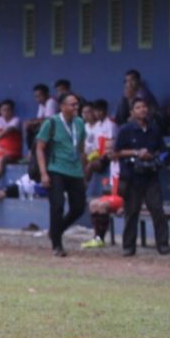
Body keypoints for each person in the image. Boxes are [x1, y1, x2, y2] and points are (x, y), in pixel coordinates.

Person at [115, 97, 169, 255]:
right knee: (132, 212)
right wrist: (136, 153)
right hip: (132, 176)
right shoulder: (126, 130)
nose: (142, 110)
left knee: (157, 209)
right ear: (132, 112)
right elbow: (116, 152)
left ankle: (163, 244)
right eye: (138, 107)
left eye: (144, 107)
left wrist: (155, 157)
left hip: (150, 175)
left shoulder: (154, 129)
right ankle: (129, 246)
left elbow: (162, 150)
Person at [37, 92, 88, 257]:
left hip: (75, 171)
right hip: (56, 169)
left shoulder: (80, 123)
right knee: (57, 206)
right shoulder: (51, 123)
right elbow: (40, 148)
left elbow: (81, 148)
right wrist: (44, 173)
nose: (76, 108)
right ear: (62, 106)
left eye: (77, 104)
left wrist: (84, 172)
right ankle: (57, 245)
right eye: (72, 104)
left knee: (79, 207)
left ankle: (56, 230)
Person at [83, 99, 118, 201]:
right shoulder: (98, 125)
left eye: (98, 111)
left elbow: (110, 146)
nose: (97, 114)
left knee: (90, 165)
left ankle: (83, 188)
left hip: (109, 156)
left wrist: (98, 156)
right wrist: (90, 155)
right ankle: (77, 185)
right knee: (82, 157)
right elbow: (95, 146)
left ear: (103, 111)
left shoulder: (111, 124)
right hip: (98, 154)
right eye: (95, 111)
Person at [24, 83, 57, 150]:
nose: (38, 98)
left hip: (56, 127)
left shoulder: (51, 101)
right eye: (36, 96)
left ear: (47, 94)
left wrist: (33, 122)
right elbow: (39, 118)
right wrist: (30, 122)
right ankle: (30, 150)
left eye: (40, 96)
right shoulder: (41, 105)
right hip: (46, 127)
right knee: (27, 125)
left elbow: (48, 119)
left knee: (40, 125)